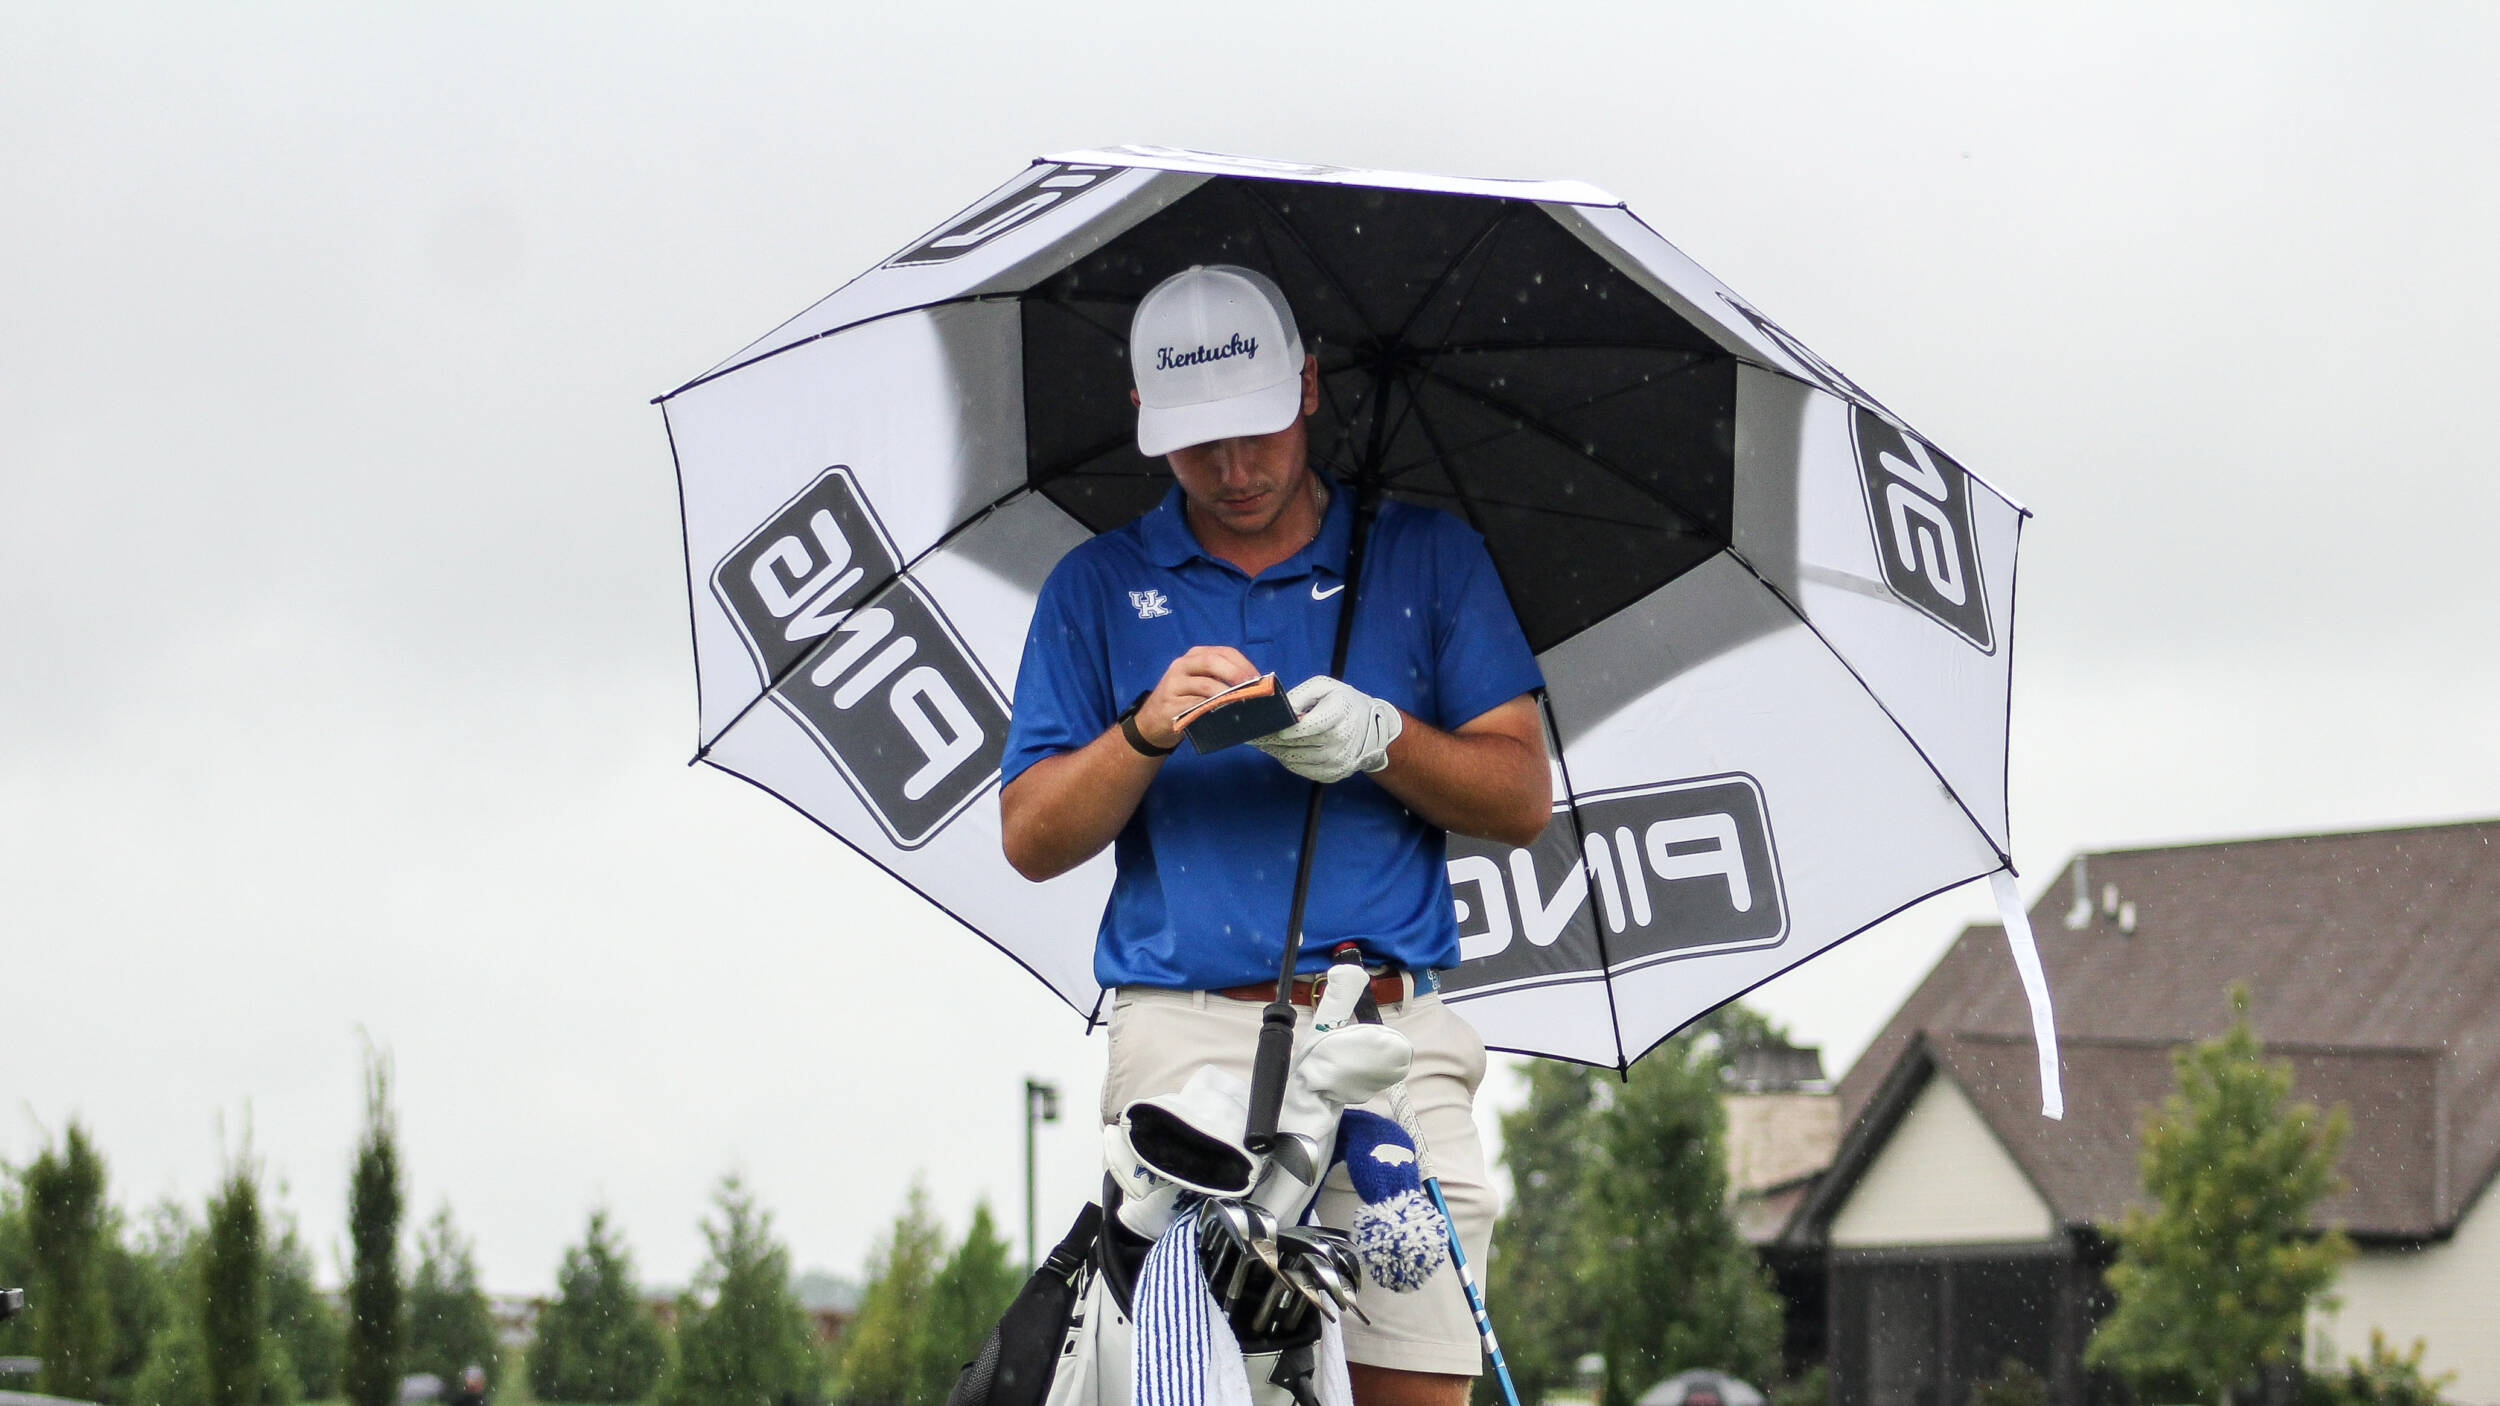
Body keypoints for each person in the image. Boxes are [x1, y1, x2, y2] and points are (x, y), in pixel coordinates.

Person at [999, 264, 1548, 1406]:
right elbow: (1034, 834)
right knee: (1185, 1385)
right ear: (1147, 422)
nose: (1236, 472)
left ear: (1306, 387)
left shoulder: (1424, 556)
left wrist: (1384, 737)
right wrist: (1144, 729)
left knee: (1416, 1381)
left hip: (1389, 1042)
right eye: (1202, 446)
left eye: (1255, 434)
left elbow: (1518, 795)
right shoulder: (1095, 587)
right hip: (1184, 1044)